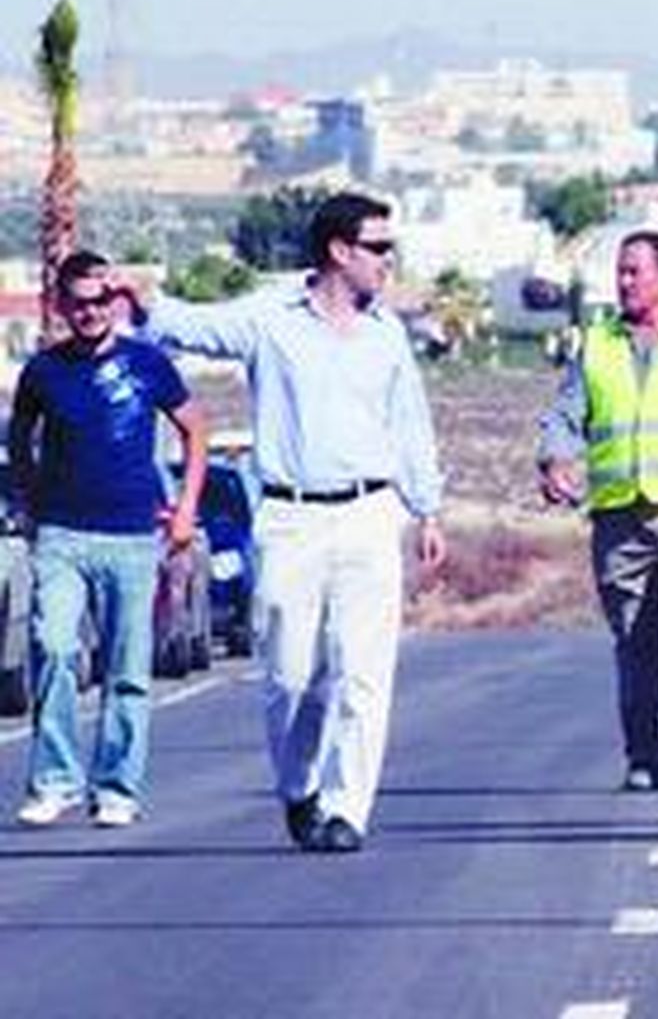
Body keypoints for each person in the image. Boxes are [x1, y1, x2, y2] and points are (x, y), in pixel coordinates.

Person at [117, 192, 447, 854]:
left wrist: (427, 507)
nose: (389, 260)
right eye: (378, 247)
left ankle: (348, 807)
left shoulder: (387, 334)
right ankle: (300, 787)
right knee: (292, 676)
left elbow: (410, 423)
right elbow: (199, 326)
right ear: (339, 250)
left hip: (368, 512)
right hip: (291, 516)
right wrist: (147, 304)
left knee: (362, 671)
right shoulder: (271, 320)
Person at [9, 250, 208, 828]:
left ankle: (117, 787)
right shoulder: (43, 372)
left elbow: (195, 429)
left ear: (114, 303)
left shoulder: (148, 365)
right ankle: (55, 780)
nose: (90, 312)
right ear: (62, 305)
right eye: (79, 302)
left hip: (130, 537)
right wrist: (26, 504)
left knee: (127, 667)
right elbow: (20, 440)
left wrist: (186, 509)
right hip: (61, 536)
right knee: (54, 649)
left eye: (101, 301)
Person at [538, 230, 658, 792]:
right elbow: (564, 415)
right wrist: (555, 460)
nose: (624, 282)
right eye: (621, 271)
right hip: (620, 515)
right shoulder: (597, 343)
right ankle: (645, 754)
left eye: (635, 271)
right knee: (636, 638)